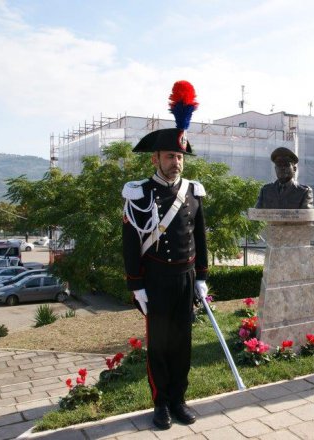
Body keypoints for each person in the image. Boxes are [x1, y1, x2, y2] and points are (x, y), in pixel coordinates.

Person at [122, 80, 208, 431]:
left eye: (180, 156)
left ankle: (178, 399)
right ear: (156, 158)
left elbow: (200, 238)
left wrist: (202, 277)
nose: (177, 162)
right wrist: (136, 284)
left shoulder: (193, 191)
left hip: (186, 278)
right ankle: (159, 403)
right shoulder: (138, 193)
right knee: (159, 345)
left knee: (183, 344)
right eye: (171, 156)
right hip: (156, 280)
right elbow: (129, 242)